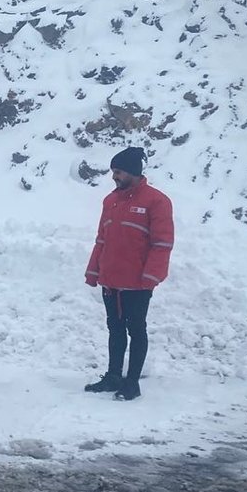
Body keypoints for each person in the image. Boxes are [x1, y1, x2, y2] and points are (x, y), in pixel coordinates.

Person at [83, 146, 174, 401]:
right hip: (111, 281)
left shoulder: (157, 201)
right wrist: (93, 271)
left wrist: (151, 277)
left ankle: (131, 382)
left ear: (133, 172)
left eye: (119, 172)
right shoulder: (110, 201)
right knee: (115, 328)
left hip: (137, 284)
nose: (114, 177)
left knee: (136, 330)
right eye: (113, 171)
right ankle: (113, 376)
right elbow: (102, 239)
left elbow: (162, 243)